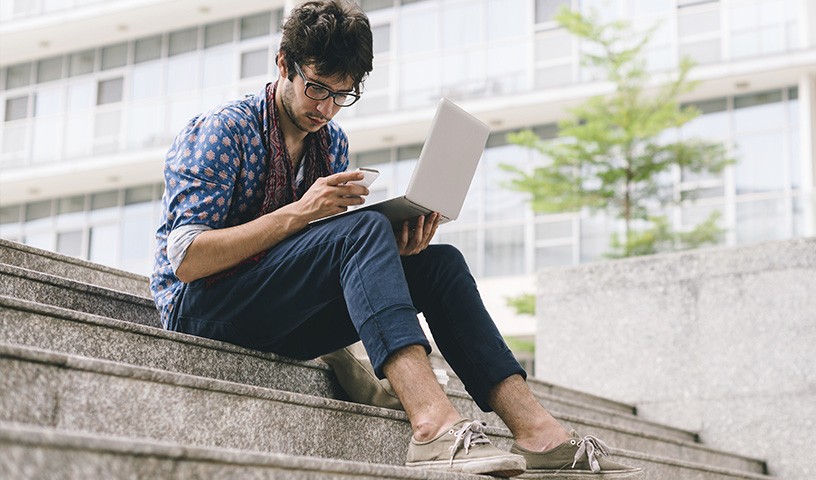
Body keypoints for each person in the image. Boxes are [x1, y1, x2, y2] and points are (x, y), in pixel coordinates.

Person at [150, 0, 640, 477]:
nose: (326, 108)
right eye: (315, 88)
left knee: (437, 264)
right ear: (284, 64)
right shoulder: (223, 131)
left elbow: (317, 254)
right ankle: (432, 426)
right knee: (363, 230)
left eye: (342, 95)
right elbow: (188, 261)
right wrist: (301, 213)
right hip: (203, 309)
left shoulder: (330, 142)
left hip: (279, 311)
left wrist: (391, 253)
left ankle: (540, 435)